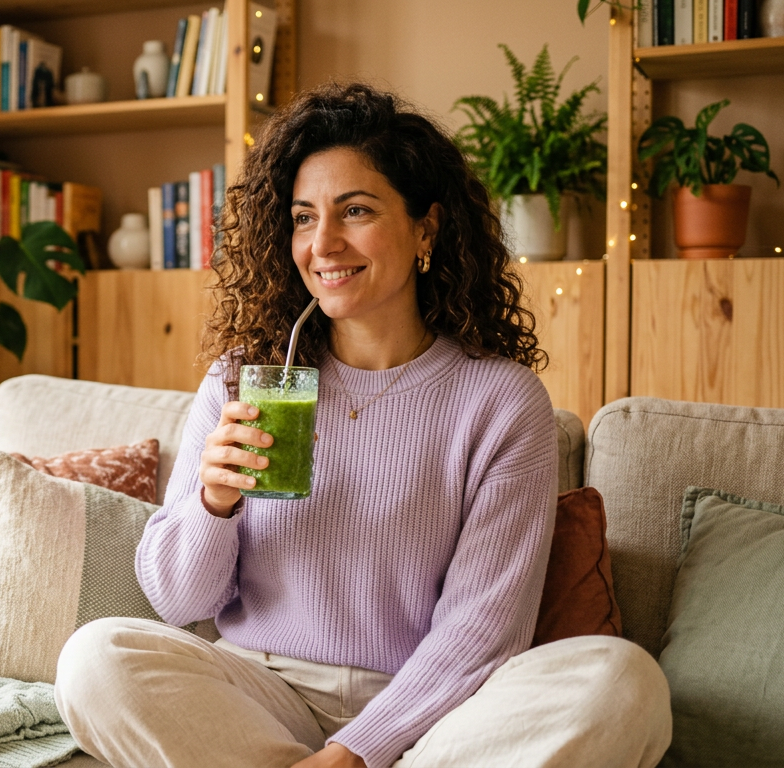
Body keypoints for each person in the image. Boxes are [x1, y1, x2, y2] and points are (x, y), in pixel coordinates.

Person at [53, 82, 671, 768]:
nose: (323, 243)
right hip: (259, 690)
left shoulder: (498, 400)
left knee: (620, 680)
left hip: (432, 713)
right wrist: (212, 502)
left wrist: (356, 750)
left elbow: (485, 627)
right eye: (303, 217)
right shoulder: (243, 379)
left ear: (425, 229)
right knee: (95, 659)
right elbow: (177, 601)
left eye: (356, 210)